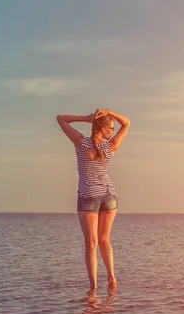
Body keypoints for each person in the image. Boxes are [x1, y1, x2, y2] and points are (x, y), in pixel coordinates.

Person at [56, 109, 131, 291]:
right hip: (109, 196)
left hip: (88, 195)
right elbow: (127, 123)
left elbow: (61, 118)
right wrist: (109, 112)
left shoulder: (81, 143)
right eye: (110, 128)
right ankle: (112, 278)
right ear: (102, 128)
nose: (112, 132)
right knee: (105, 240)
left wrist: (85, 118)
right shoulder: (110, 146)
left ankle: (93, 287)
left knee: (91, 243)